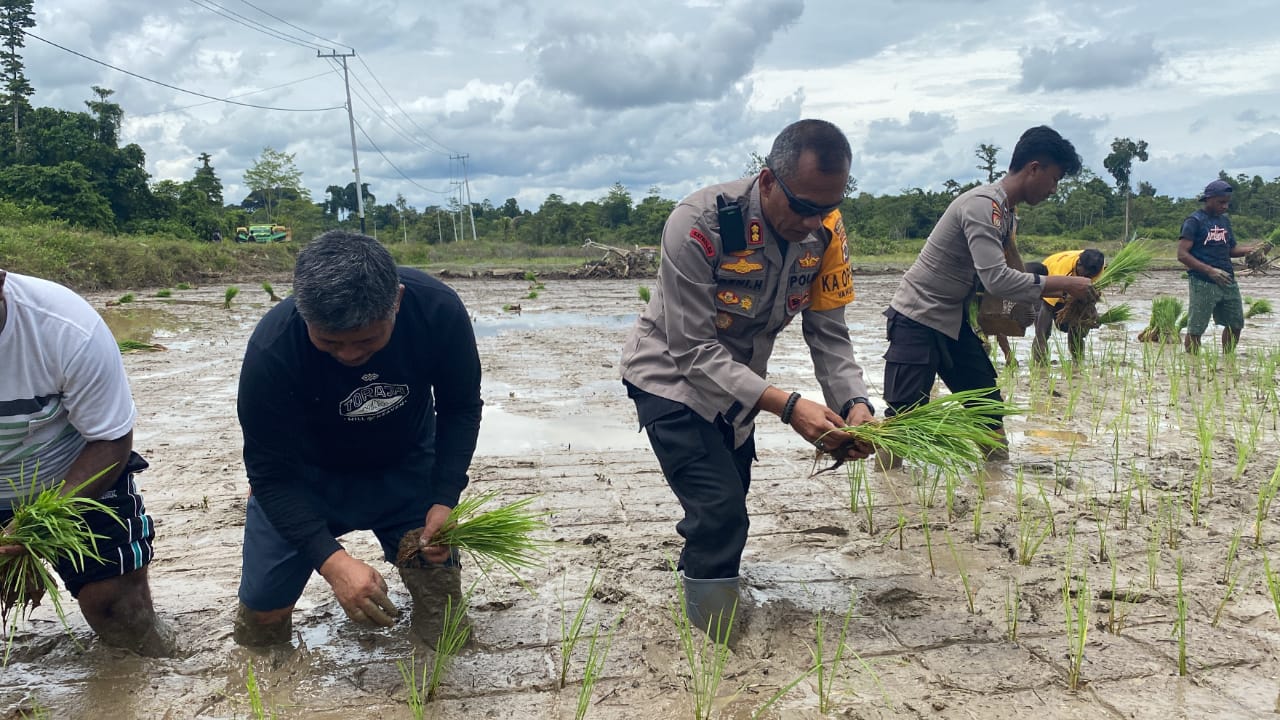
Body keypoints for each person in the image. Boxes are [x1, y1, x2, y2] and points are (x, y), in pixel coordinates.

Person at [620, 119, 874, 639]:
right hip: (670, 376)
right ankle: (713, 640)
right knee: (720, 509)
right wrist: (788, 406)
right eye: (802, 206)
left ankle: (700, 591)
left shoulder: (827, 231)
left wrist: (856, 404)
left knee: (729, 499)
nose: (812, 222)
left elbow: (829, 333)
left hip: (738, 390)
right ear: (767, 180)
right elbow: (692, 349)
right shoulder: (700, 224)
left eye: (827, 208)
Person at [233, 231, 483, 647]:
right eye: (329, 342)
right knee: (261, 620)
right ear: (303, 312)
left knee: (444, 615)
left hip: (407, 469)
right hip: (304, 480)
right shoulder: (273, 348)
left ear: (397, 301)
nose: (349, 354)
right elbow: (269, 475)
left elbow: (460, 408)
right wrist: (333, 564)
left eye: (366, 340)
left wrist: (444, 498)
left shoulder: (437, 311)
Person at [882, 125, 1096, 452]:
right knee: (903, 421)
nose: (1054, 189)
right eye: (1054, 179)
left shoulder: (1007, 214)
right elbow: (997, 279)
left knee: (988, 410)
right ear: (1034, 168)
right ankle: (888, 480)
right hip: (917, 319)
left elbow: (1013, 267)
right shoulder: (983, 206)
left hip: (953, 323)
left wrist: (1031, 305)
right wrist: (1065, 283)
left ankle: (998, 477)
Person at [0, 269, 174, 656]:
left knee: (119, 610)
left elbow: (110, 441)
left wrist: (32, 529)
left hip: (71, 473)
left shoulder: (66, 328)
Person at [1177, 179, 1266, 353]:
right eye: (1221, 202)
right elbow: (1182, 254)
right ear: (1208, 199)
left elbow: (1231, 249)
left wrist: (1252, 250)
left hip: (1227, 278)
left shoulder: (1224, 221)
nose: (1225, 206)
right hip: (1203, 281)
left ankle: (1228, 360)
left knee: (1236, 323)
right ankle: (1192, 362)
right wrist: (1210, 271)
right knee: (1197, 327)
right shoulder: (1194, 221)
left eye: (1227, 202)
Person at [1031, 249, 1105, 364]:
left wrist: (1090, 315)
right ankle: (1040, 364)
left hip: (1070, 290)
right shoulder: (1061, 271)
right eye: (1085, 274)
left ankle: (1078, 362)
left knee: (1076, 327)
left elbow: (1090, 297)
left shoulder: (1098, 267)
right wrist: (1041, 338)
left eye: (1091, 276)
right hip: (1044, 287)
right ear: (1078, 264)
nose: (1087, 278)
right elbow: (1047, 307)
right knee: (1044, 331)